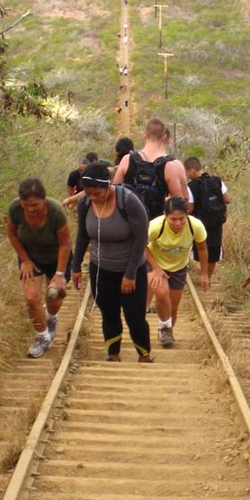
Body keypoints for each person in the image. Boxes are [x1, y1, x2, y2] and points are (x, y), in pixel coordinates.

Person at [71, 164, 153, 363]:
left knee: (134, 317)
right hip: (101, 269)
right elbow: (82, 235)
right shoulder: (85, 204)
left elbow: (141, 239)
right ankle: (113, 355)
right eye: (88, 193)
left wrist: (130, 274)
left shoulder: (128, 202)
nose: (93, 198)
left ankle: (144, 355)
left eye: (97, 193)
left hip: (130, 268)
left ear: (107, 186)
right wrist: (75, 266)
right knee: (109, 314)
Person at [7, 178, 72, 359]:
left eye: (35, 204)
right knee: (31, 298)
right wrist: (25, 260)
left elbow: (65, 243)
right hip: (31, 257)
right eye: (26, 204)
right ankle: (42, 337)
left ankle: (51, 318)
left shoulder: (55, 211)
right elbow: (12, 234)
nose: (31, 209)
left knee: (54, 296)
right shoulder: (15, 209)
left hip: (56, 257)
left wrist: (60, 274)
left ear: (43, 200)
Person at [147, 197, 209, 347]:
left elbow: (202, 248)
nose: (178, 223)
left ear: (187, 215)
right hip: (155, 263)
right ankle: (165, 327)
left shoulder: (196, 226)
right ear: (165, 215)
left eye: (182, 219)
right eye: (173, 219)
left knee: (173, 307)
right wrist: (155, 268)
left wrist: (204, 274)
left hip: (179, 267)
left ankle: (166, 330)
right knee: (162, 293)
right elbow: (141, 246)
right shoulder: (155, 226)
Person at [113, 117, 188, 219]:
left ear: (144, 135)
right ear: (164, 137)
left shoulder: (127, 160)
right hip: (155, 226)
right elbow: (178, 204)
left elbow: (114, 193)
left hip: (128, 224)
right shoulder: (169, 166)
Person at [184, 156, 231, 280]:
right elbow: (227, 199)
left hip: (200, 224)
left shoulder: (191, 186)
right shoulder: (217, 180)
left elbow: (190, 208)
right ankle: (208, 277)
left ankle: (202, 274)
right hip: (216, 222)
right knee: (214, 249)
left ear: (192, 170)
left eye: (187, 172)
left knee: (201, 247)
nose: (187, 175)